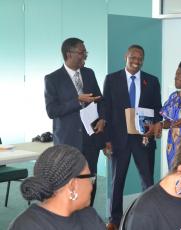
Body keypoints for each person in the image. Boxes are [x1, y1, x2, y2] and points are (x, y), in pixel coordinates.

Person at [103, 44, 162, 230]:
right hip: (118, 139)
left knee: (148, 181)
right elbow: (105, 110)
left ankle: (148, 217)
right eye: (132, 58)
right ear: (125, 57)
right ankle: (114, 219)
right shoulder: (112, 79)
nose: (136, 62)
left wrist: (155, 124)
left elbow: (157, 109)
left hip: (143, 139)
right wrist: (106, 140)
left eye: (140, 59)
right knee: (116, 181)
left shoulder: (151, 81)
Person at [44, 37, 106, 205]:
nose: (84, 55)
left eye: (85, 52)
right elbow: (52, 111)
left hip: (90, 139)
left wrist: (102, 119)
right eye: (81, 52)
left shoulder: (89, 73)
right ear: (68, 54)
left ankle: (87, 215)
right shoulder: (53, 79)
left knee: (89, 181)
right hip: (67, 142)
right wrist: (77, 101)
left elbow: (100, 100)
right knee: (67, 184)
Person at [8, 144, 106, 230]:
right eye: (89, 177)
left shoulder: (89, 214)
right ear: (72, 185)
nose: (91, 185)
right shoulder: (27, 226)